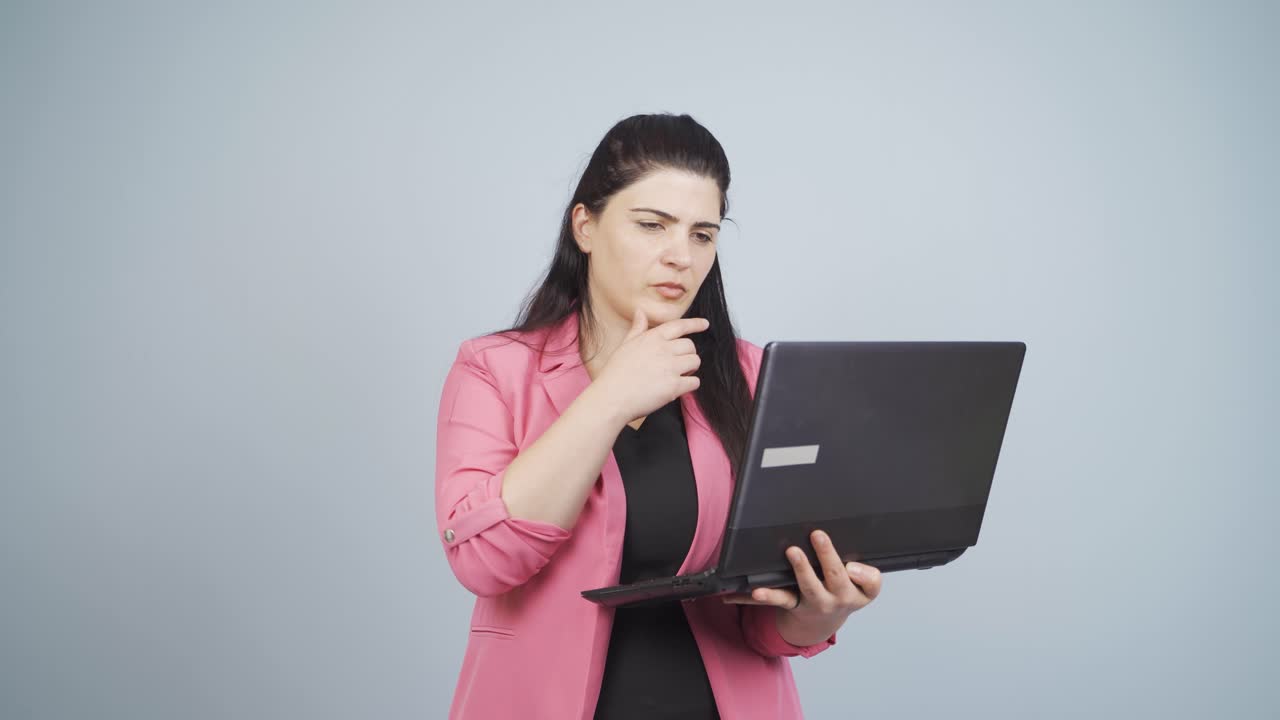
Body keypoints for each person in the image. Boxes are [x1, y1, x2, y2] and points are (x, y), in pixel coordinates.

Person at [434, 113, 882, 719]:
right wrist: (612, 395)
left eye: (703, 234)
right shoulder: (493, 369)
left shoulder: (753, 378)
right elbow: (485, 560)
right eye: (652, 226)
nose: (681, 256)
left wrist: (815, 613)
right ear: (585, 226)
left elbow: (763, 623)